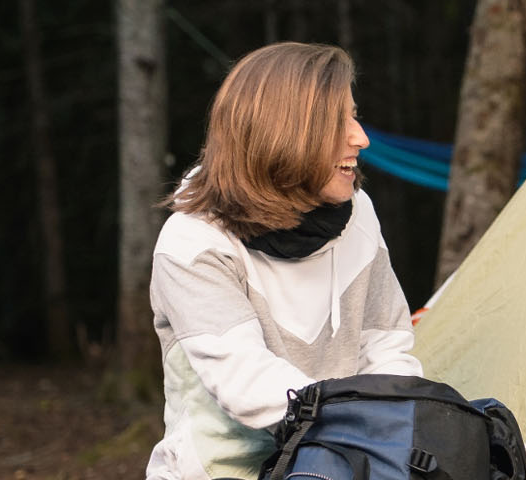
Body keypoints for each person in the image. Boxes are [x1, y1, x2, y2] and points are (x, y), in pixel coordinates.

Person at [145, 42, 421, 480]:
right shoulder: (192, 242)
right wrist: (365, 432)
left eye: (355, 115)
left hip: (348, 465)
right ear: (281, 134)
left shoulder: (359, 215)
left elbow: (387, 349)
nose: (361, 138)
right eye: (337, 123)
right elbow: (249, 384)